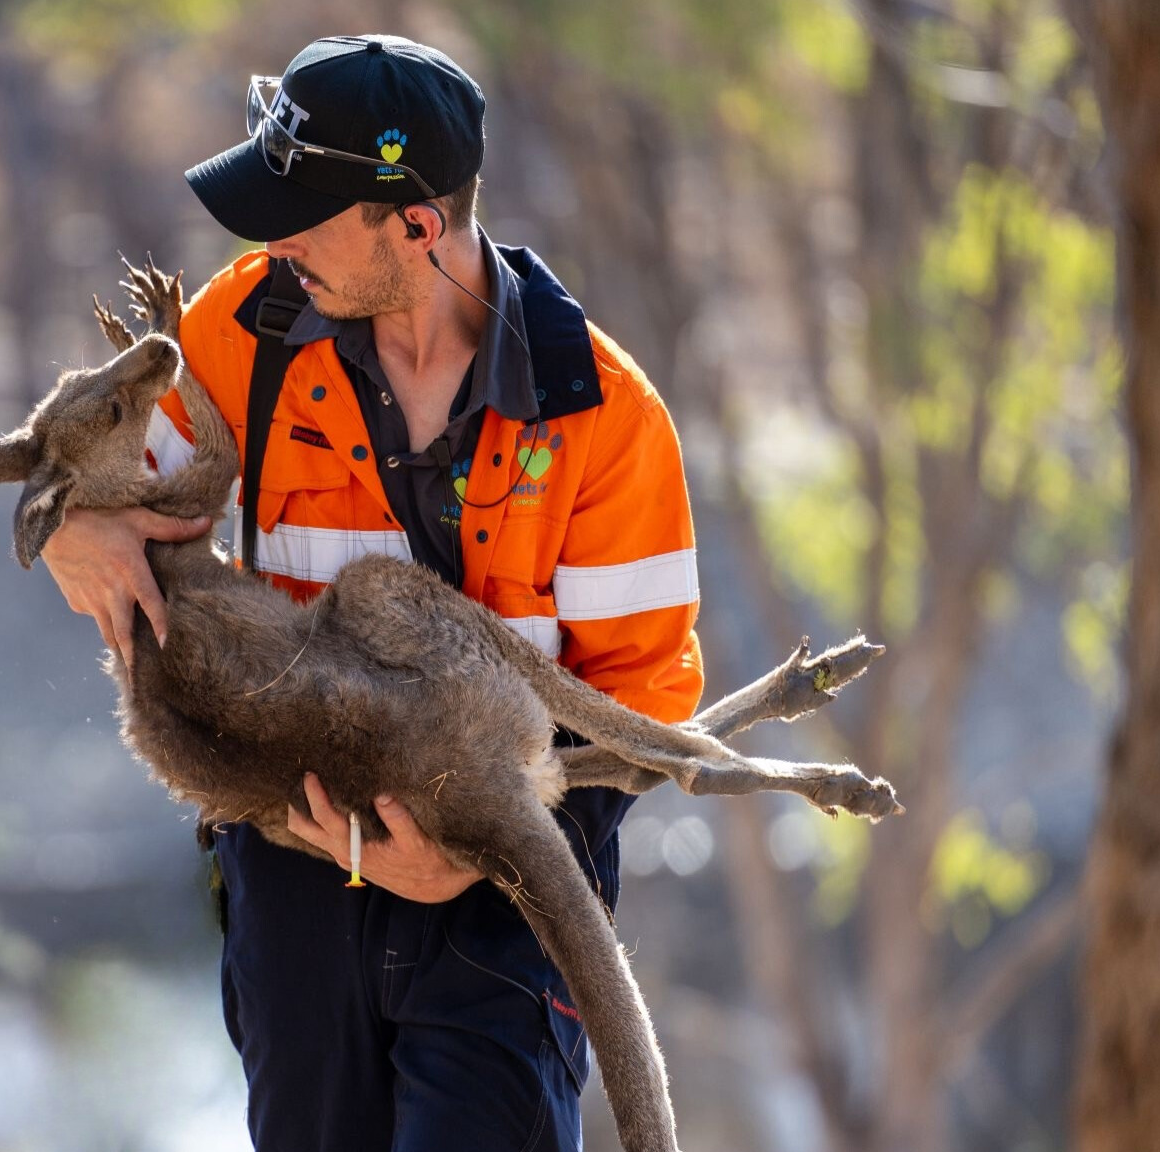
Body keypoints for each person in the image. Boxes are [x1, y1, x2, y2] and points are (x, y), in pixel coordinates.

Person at [43, 33, 703, 1152]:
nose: (270, 239)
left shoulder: (606, 417)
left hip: (502, 894)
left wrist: (457, 856)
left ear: (414, 224)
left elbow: (640, 719)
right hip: (294, 874)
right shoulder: (241, 332)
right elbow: (101, 478)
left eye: (304, 216)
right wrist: (73, 530)